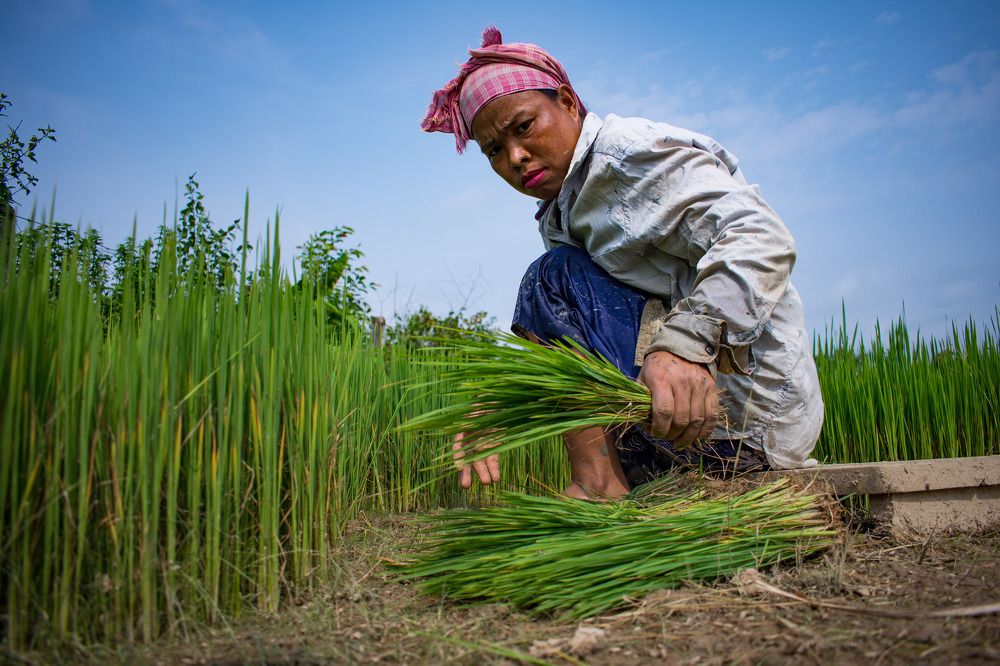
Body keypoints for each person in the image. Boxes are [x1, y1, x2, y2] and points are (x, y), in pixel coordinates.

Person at [422, 27, 824, 499]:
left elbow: (760, 235)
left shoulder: (629, 156)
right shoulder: (562, 209)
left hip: (747, 427)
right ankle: (609, 482)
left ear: (569, 103)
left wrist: (684, 345)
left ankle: (598, 485)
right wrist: (499, 400)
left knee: (551, 280)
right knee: (556, 282)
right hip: (675, 428)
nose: (514, 156)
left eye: (524, 127)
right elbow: (569, 336)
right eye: (493, 150)